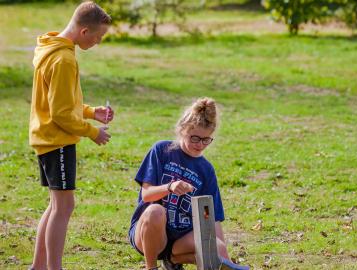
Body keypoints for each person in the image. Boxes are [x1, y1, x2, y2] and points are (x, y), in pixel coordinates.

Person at [28, 2, 113, 270]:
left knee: (56, 206)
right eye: (98, 37)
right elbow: (62, 114)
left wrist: (90, 112)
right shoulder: (64, 59)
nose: (98, 42)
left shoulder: (51, 48)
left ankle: (38, 267)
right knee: (64, 207)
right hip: (58, 139)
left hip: (47, 138)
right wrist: (92, 132)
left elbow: (60, 101)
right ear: (85, 31)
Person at [128, 97, 230, 270]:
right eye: (195, 138)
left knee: (217, 250)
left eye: (206, 140)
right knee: (155, 210)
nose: (199, 145)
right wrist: (170, 187)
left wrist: (225, 258)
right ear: (183, 129)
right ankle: (150, 267)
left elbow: (211, 219)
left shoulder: (206, 170)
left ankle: (173, 260)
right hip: (150, 234)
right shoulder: (162, 150)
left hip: (181, 239)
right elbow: (146, 194)